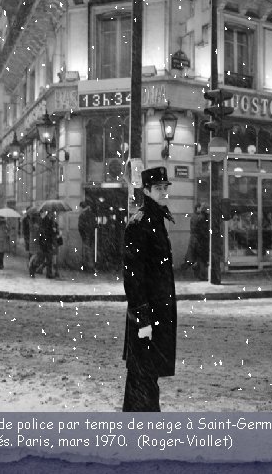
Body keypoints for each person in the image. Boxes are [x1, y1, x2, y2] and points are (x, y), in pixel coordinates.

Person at [122, 166, 177, 412]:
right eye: (158, 188)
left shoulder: (156, 220)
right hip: (146, 315)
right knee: (142, 372)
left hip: (156, 312)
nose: (163, 193)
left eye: (165, 188)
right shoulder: (141, 223)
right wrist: (143, 319)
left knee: (146, 372)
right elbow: (133, 276)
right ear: (146, 190)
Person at [30, 210, 58, 278]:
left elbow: (50, 232)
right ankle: (32, 269)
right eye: (53, 214)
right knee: (41, 259)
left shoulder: (51, 221)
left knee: (49, 259)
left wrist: (54, 231)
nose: (54, 216)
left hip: (47, 242)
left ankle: (49, 274)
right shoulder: (45, 221)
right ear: (50, 214)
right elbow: (44, 232)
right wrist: (53, 231)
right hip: (45, 242)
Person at [181, 203, 202, 270]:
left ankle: (188, 265)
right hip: (196, 237)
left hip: (194, 237)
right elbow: (197, 227)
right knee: (194, 253)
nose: (201, 209)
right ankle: (188, 266)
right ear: (197, 208)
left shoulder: (195, 216)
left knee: (192, 254)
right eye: (200, 208)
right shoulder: (196, 217)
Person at [78, 201, 96, 273]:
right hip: (91, 235)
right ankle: (90, 267)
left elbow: (80, 226)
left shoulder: (83, 215)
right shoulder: (91, 214)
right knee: (90, 251)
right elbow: (94, 225)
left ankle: (88, 267)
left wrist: (83, 235)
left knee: (87, 252)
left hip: (86, 235)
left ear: (82, 207)